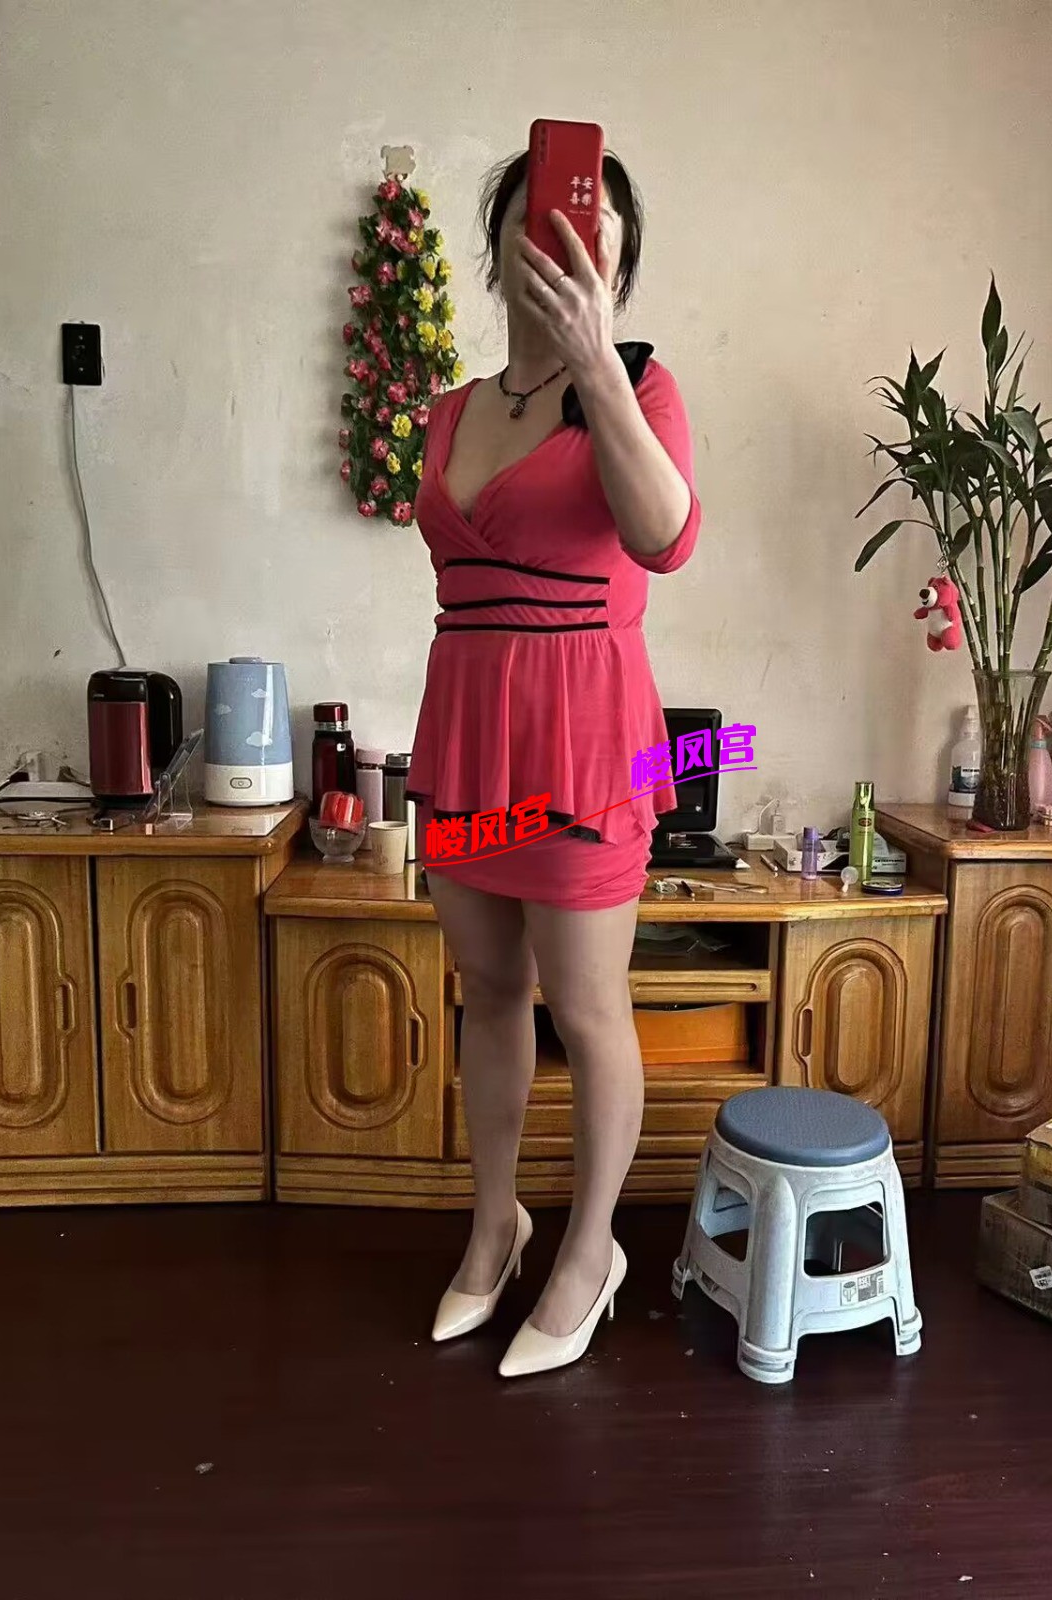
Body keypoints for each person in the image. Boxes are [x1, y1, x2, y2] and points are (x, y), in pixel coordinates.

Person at [406, 145, 701, 1378]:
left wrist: (596, 366)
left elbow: (665, 538)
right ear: (499, 251)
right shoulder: (450, 410)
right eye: (538, 222)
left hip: (585, 747)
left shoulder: (642, 388)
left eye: (596, 229)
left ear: (619, 262)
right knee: (488, 989)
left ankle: (589, 1252)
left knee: (587, 1006)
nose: (570, 243)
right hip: (470, 736)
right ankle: (496, 1226)